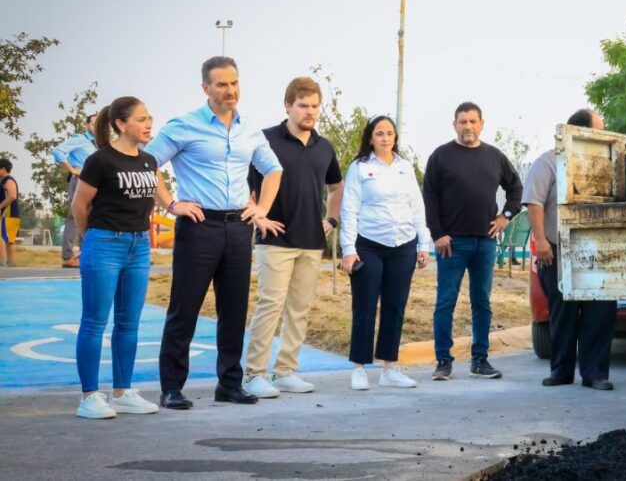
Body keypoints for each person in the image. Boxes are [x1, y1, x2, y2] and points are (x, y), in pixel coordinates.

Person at [144, 56, 284, 410]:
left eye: (234, 82)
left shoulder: (249, 128)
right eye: (222, 84)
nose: (230, 90)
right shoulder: (184, 125)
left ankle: (230, 384)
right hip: (198, 227)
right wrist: (171, 204)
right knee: (185, 309)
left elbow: (273, 169)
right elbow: (146, 163)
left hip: (238, 228)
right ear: (205, 87)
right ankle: (172, 387)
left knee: (234, 311)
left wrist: (262, 209)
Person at [71, 97, 183, 418]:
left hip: (139, 246)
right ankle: (89, 396)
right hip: (104, 243)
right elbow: (79, 205)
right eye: (141, 119)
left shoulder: (149, 161)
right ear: (121, 124)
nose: (149, 124)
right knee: (94, 322)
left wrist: (177, 206)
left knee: (128, 322)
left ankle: (121, 392)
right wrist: (92, 239)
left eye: (150, 118)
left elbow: (161, 198)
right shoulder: (100, 161)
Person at [242, 77, 344, 398]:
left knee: (299, 309)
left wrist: (331, 219)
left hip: (311, 240)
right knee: (270, 306)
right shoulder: (265, 139)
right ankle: (254, 374)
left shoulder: (324, 146)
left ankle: (285, 371)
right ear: (288, 106)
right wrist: (258, 215)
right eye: (303, 105)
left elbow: (336, 186)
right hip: (274, 239)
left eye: (314, 106)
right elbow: (243, 181)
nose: (309, 111)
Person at [423, 102, 523, 381]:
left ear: (482, 124)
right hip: (452, 244)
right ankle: (443, 362)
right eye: (462, 121)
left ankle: (480, 360)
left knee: (482, 302)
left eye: (472, 121)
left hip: (485, 243)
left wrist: (505, 217)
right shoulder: (440, 156)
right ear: (454, 124)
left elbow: (516, 189)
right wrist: (437, 233)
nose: (468, 126)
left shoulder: (495, 156)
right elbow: (429, 197)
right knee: (446, 302)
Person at [524, 109, 617, 391]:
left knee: (600, 312)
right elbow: (534, 202)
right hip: (557, 249)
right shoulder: (548, 162)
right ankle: (561, 371)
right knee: (563, 312)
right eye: (598, 130)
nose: (602, 136)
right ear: (579, 132)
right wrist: (541, 241)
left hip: (598, 250)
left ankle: (595, 374)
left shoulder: (604, 163)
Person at [340, 115, 431, 390]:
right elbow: (349, 209)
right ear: (370, 138)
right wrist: (348, 249)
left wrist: (423, 244)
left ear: (395, 137)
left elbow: (417, 206)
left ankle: (389, 368)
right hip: (369, 244)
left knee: (395, 306)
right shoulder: (359, 167)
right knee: (365, 306)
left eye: (390, 133)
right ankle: (359, 368)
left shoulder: (405, 167)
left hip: (403, 244)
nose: (385, 138)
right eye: (379, 133)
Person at [52, 114, 98, 267]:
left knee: (91, 217)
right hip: (79, 180)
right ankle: (68, 256)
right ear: (87, 125)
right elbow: (58, 151)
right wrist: (72, 169)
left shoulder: (99, 144)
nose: (97, 126)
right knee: (74, 216)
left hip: (94, 182)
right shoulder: (80, 139)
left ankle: (85, 255)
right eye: (94, 123)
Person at [0, 158, 19, 267]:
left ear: (3, 169)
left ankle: (3, 262)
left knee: (4, 238)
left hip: (9, 214)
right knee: (9, 239)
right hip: (9, 215)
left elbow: (12, 196)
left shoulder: (8, 180)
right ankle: (10, 263)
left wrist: (1, 206)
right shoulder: (4, 181)